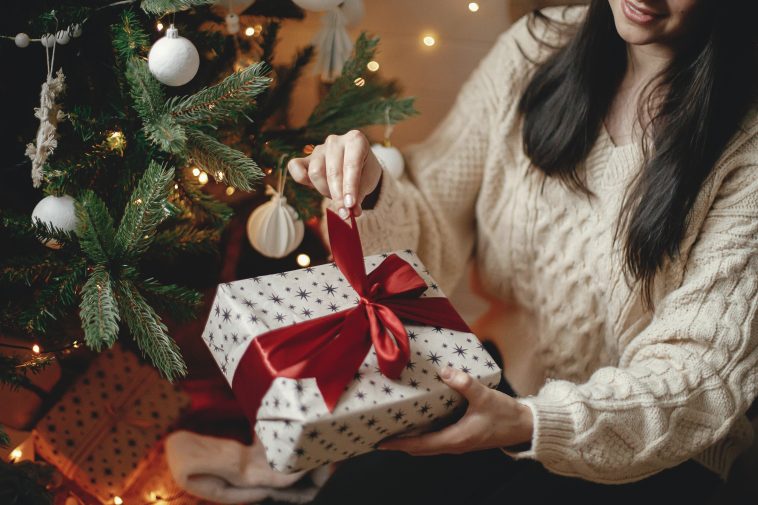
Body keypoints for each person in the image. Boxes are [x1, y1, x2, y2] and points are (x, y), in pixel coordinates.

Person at [286, 1, 758, 503]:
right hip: (499, 381)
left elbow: (696, 374)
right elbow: (432, 237)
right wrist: (375, 187)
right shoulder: (535, 47)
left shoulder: (744, 144)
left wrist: (530, 421)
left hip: (649, 444)